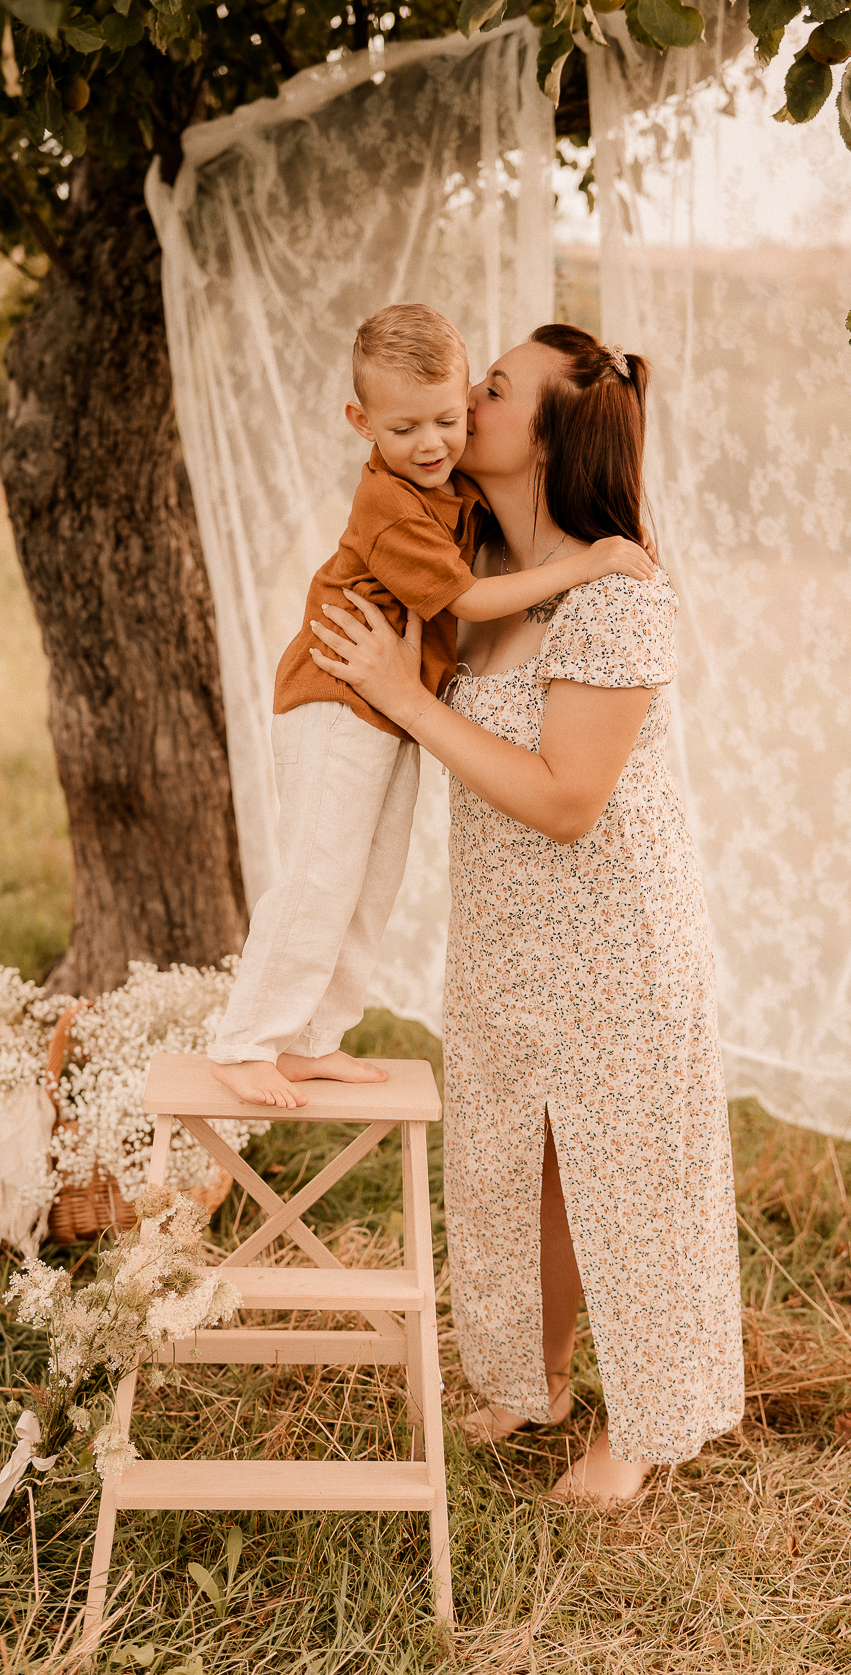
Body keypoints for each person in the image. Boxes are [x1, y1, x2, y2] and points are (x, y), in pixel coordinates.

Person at [307, 323, 745, 1506]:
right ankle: (530, 1378)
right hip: (505, 930)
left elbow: (564, 798)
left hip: (613, 938)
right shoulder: (465, 573)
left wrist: (404, 693)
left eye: (492, 389)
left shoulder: (613, 587)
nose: (462, 402)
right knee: (515, 1168)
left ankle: (645, 1423)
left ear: (546, 439)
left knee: (624, 1173)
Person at [208, 305, 655, 1109]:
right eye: (417, 421)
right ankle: (247, 1039)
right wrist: (589, 563)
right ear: (364, 423)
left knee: (370, 876)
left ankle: (314, 1038)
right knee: (319, 870)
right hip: (337, 698)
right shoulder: (396, 500)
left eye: (476, 399)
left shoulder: (458, 500)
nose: (449, 431)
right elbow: (472, 601)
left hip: (384, 710)